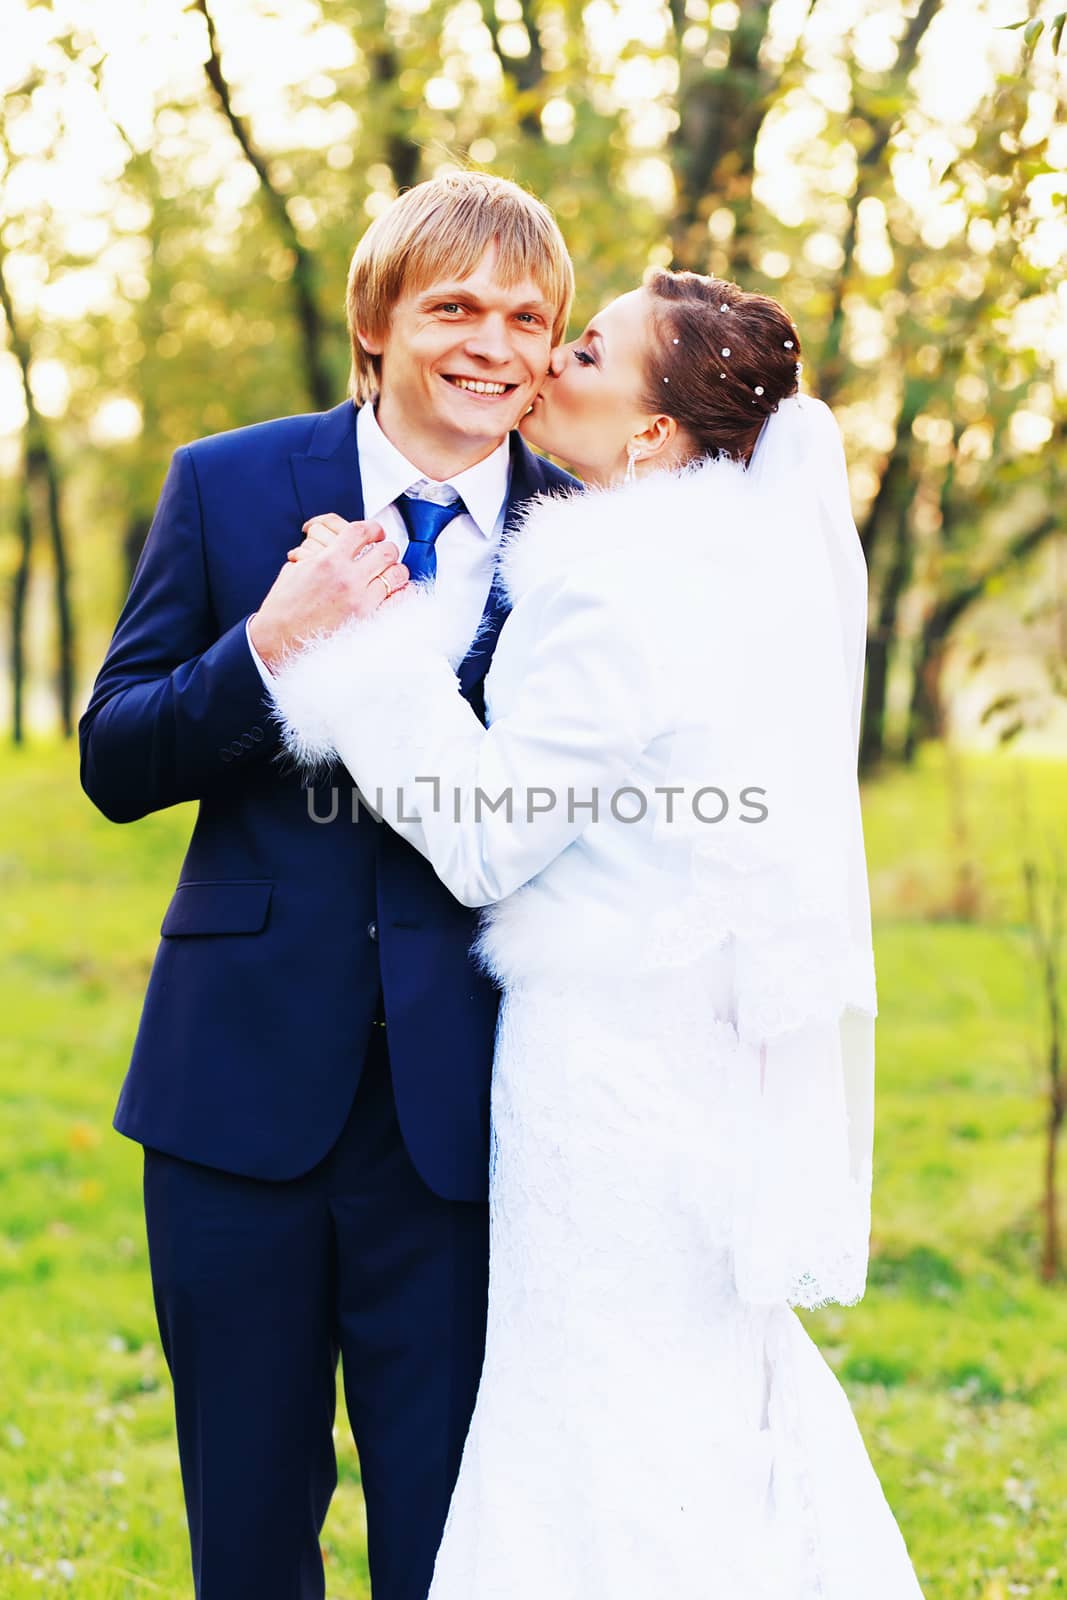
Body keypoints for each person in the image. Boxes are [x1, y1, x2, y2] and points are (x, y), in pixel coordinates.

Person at [268, 269, 928, 1598]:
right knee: (685, 1385)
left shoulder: (621, 589)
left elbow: (488, 835)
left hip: (608, 1075)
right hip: (687, 1054)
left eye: (585, 350)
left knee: (600, 1405)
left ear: (650, 437)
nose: (546, 363)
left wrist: (360, 651)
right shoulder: (726, 584)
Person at [77, 171, 577, 1600]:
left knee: (452, 1533)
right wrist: (268, 644)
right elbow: (117, 757)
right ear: (380, 319)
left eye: (529, 318)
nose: (494, 343)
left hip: (477, 1109)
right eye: (456, 307)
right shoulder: (228, 484)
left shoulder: (584, 530)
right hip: (233, 1097)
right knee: (244, 1521)